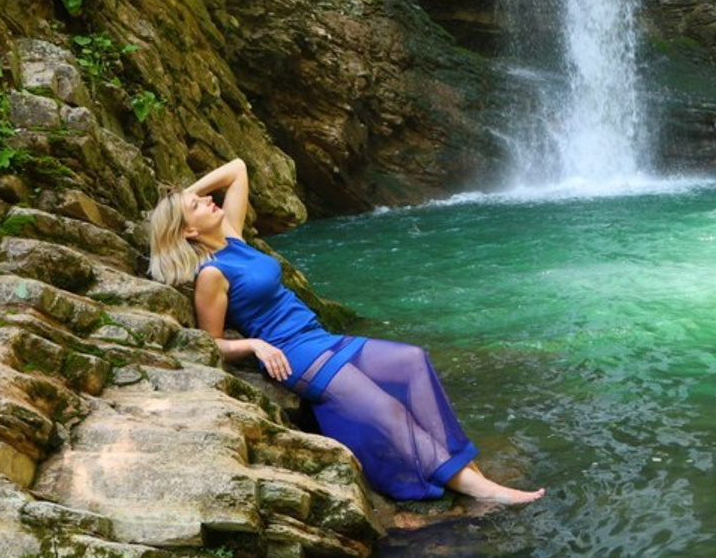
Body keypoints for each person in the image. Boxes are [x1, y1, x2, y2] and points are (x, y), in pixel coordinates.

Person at [147, 158, 544, 507]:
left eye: (202, 197)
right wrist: (254, 344)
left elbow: (237, 169)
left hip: (319, 336)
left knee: (413, 360)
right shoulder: (211, 274)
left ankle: (458, 461)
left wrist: (183, 198)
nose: (207, 200)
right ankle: (477, 487)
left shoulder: (232, 236)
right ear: (189, 232)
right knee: (387, 410)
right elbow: (211, 341)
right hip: (295, 355)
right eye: (197, 206)